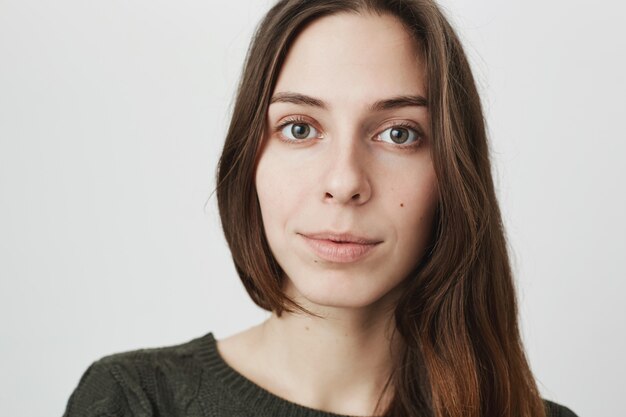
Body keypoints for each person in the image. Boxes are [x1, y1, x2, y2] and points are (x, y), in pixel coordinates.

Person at [62, 1, 579, 416]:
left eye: (398, 134)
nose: (344, 182)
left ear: (451, 176)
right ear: (248, 161)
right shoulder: (133, 400)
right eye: (300, 128)